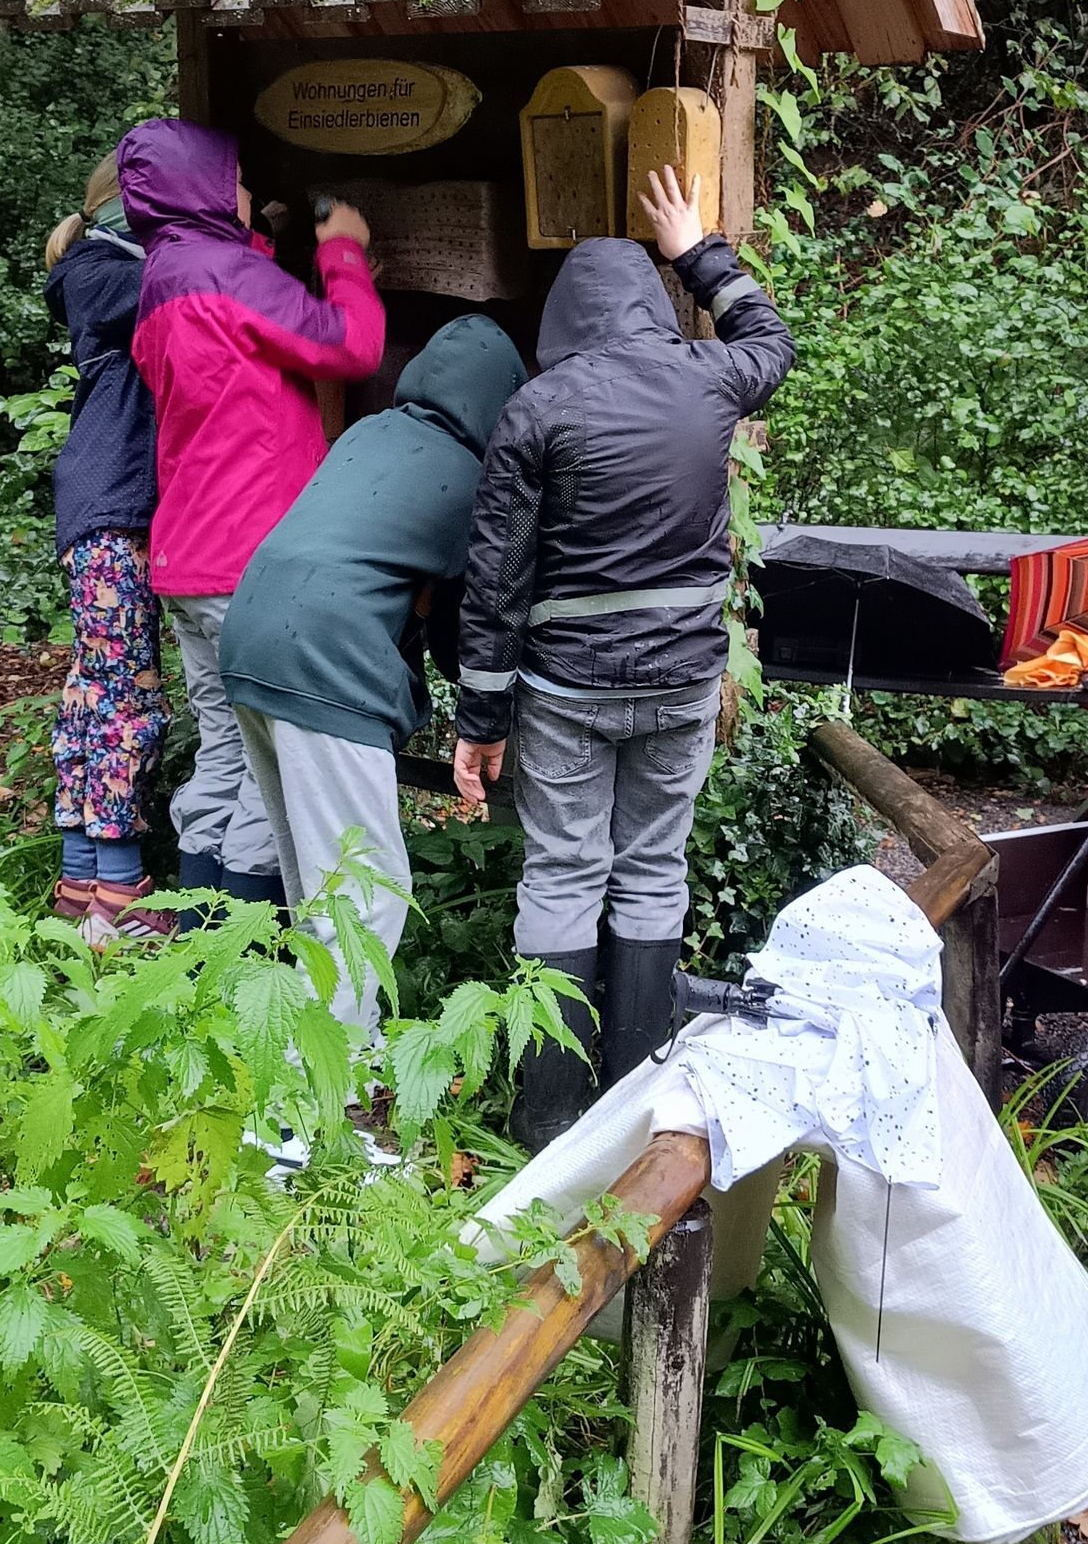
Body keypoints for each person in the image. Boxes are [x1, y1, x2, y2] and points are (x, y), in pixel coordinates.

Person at [453, 164, 796, 1152]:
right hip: (685, 677)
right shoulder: (712, 377)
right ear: (651, 305)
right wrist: (694, 248)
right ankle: (639, 1099)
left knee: (562, 873)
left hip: (567, 689)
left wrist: (480, 721)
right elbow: (770, 340)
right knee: (651, 871)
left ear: (562, 316)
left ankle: (550, 1115)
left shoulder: (536, 408)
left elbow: (496, 579)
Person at [219, 316, 527, 1057]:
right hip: (326, 663)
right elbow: (468, 627)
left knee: (317, 896)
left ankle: (307, 1063)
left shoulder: (366, 434)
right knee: (365, 895)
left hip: (249, 639)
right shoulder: (472, 475)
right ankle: (312, 1110)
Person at [117, 119, 386, 903]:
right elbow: (351, 344)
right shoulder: (225, 275)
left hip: (188, 565)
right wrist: (343, 252)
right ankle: (246, 965)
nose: (247, 191)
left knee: (225, 757)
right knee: (276, 774)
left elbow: (237, 330)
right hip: (250, 563)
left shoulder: (166, 274)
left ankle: (200, 956)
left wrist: (260, 242)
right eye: (234, 179)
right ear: (201, 190)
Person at [44, 155, 171, 942]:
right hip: (115, 509)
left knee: (94, 693)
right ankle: (120, 899)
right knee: (128, 695)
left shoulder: (99, 269)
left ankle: (82, 877)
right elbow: (193, 282)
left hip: (101, 507)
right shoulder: (106, 272)